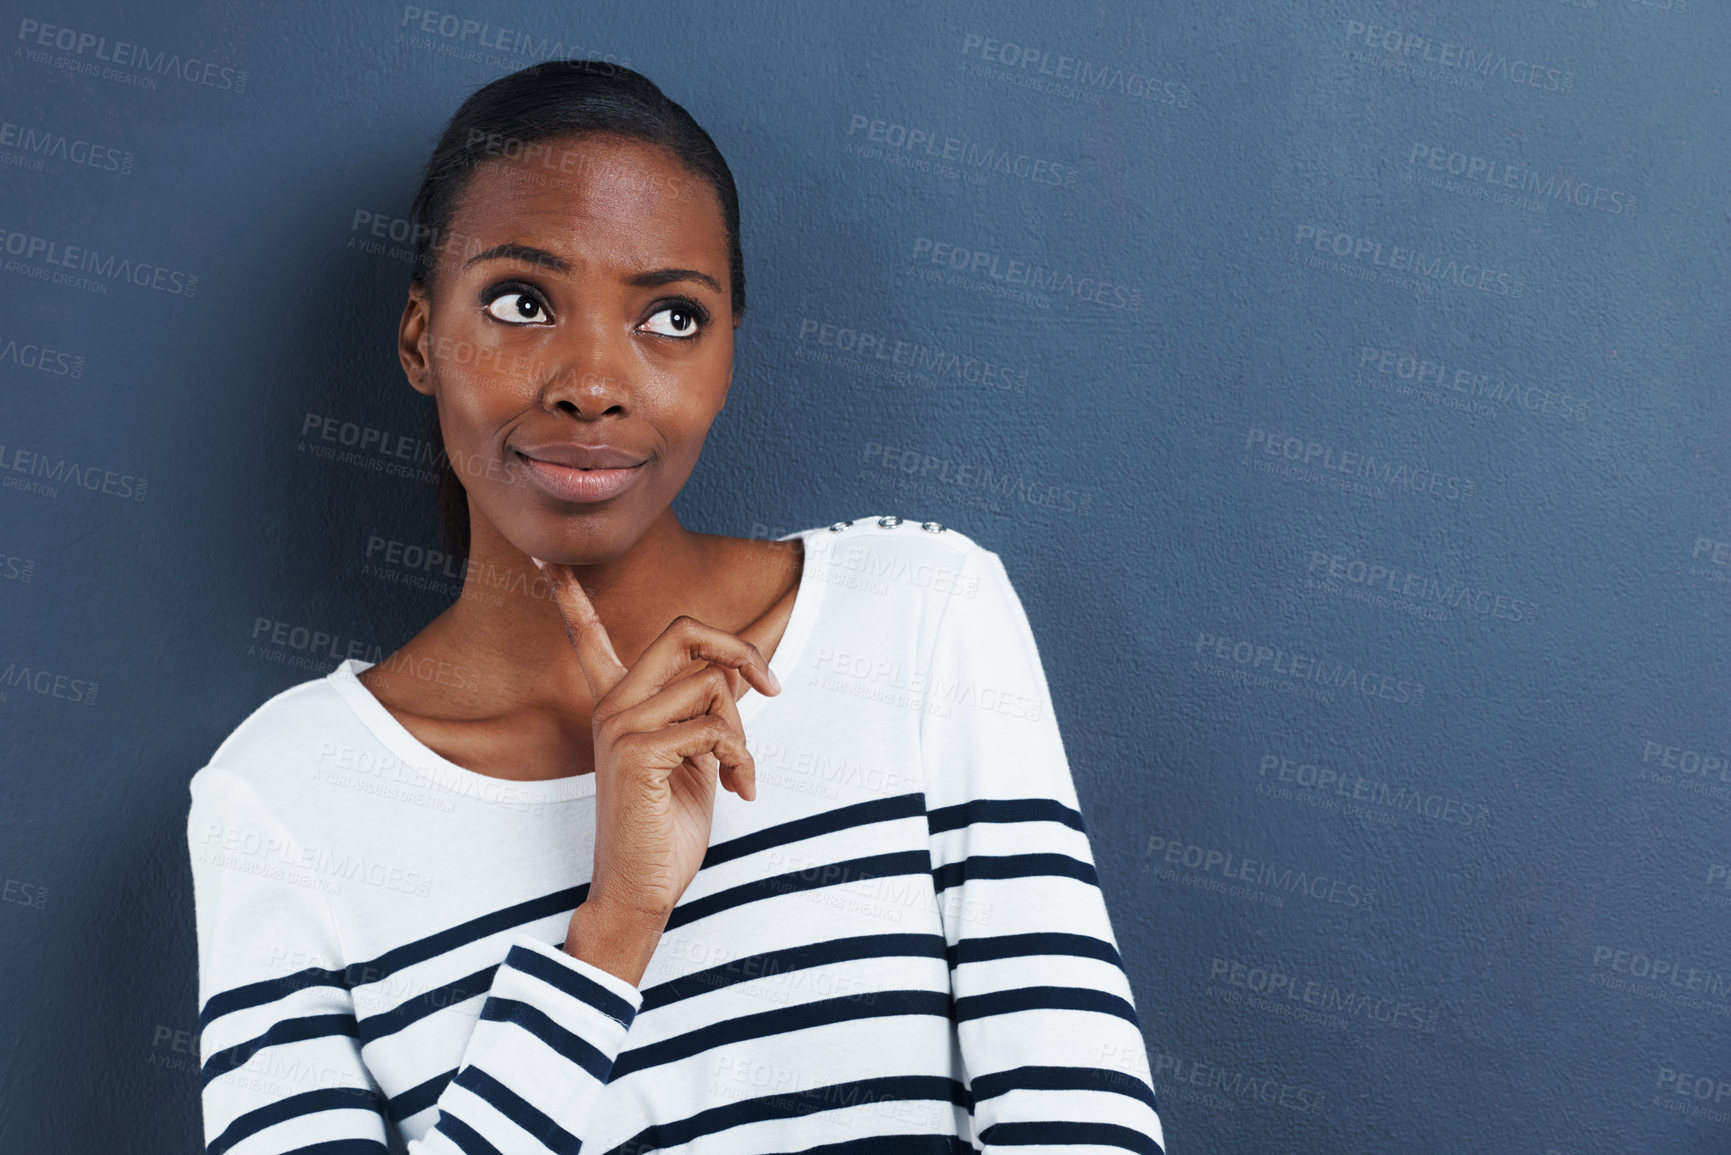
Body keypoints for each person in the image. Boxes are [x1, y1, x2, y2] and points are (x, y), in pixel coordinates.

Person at [187, 59, 1165, 1154]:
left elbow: (1082, 1126)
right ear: (422, 339)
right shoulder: (285, 800)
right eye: (522, 302)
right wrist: (613, 928)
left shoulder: (922, 620)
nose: (593, 383)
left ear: (730, 355)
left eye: (670, 318)